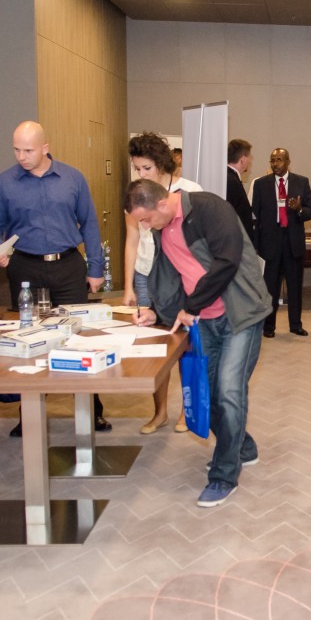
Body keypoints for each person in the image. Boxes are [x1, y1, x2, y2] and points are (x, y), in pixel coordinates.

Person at [125, 179, 271, 508]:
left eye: (145, 218)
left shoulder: (210, 209)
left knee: (229, 392)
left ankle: (224, 475)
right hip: (203, 321)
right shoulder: (161, 229)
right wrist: (156, 312)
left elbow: (226, 263)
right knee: (208, 393)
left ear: (162, 204)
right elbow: (170, 278)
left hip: (240, 314)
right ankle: (243, 447)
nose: (144, 226)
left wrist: (191, 307)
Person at [0, 120, 109, 436]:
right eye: (16, 150)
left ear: (45, 148)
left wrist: (96, 269)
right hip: (25, 267)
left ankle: (92, 411)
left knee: (77, 338)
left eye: (28, 150)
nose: (21, 157)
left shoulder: (72, 178)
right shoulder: (3, 184)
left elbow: (90, 224)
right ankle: (29, 416)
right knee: (31, 339)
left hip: (68, 265)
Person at [120, 132, 202, 434]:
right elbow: (131, 241)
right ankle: (160, 412)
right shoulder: (136, 196)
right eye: (137, 168)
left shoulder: (189, 191)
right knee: (155, 343)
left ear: (162, 164)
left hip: (180, 276)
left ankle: (185, 411)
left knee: (186, 342)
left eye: (147, 168)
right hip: (146, 274)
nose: (141, 174)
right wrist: (128, 286)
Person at [251, 148, 311, 338]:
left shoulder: (301, 182)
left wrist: (299, 209)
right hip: (270, 242)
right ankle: (269, 327)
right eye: (272, 160)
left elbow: (310, 211)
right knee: (270, 287)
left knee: (295, 287)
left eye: (279, 160)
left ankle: (296, 325)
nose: (275, 164)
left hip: (293, 241)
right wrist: (255, 245)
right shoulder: (261, 184)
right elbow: (255, 216)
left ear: (288, 161)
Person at [226, 138, 255, 240]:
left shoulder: (227, 178)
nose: (250, 161)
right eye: (249, 157)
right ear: (242, 160)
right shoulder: (232, 182)